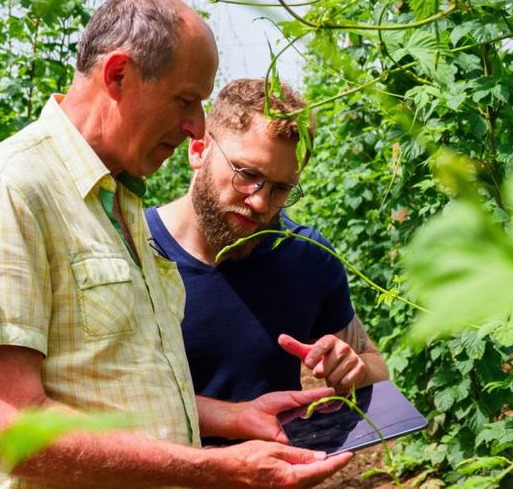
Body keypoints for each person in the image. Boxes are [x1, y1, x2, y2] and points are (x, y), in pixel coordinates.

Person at [0, 0, 351, 488]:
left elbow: (117, 393)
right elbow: (4, 430)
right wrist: (214, 468)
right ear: (118, 75)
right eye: (185, 98)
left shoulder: (117, 199)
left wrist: (231, 416)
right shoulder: (8, 191)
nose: (196, 123)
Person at [145, 79, 390, 442]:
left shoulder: (308, 258)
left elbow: (376, 367)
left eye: (281, 189)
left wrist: (354, 368)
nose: (260, 203)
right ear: (198, 149)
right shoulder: (133, 251)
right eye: (247, 175)